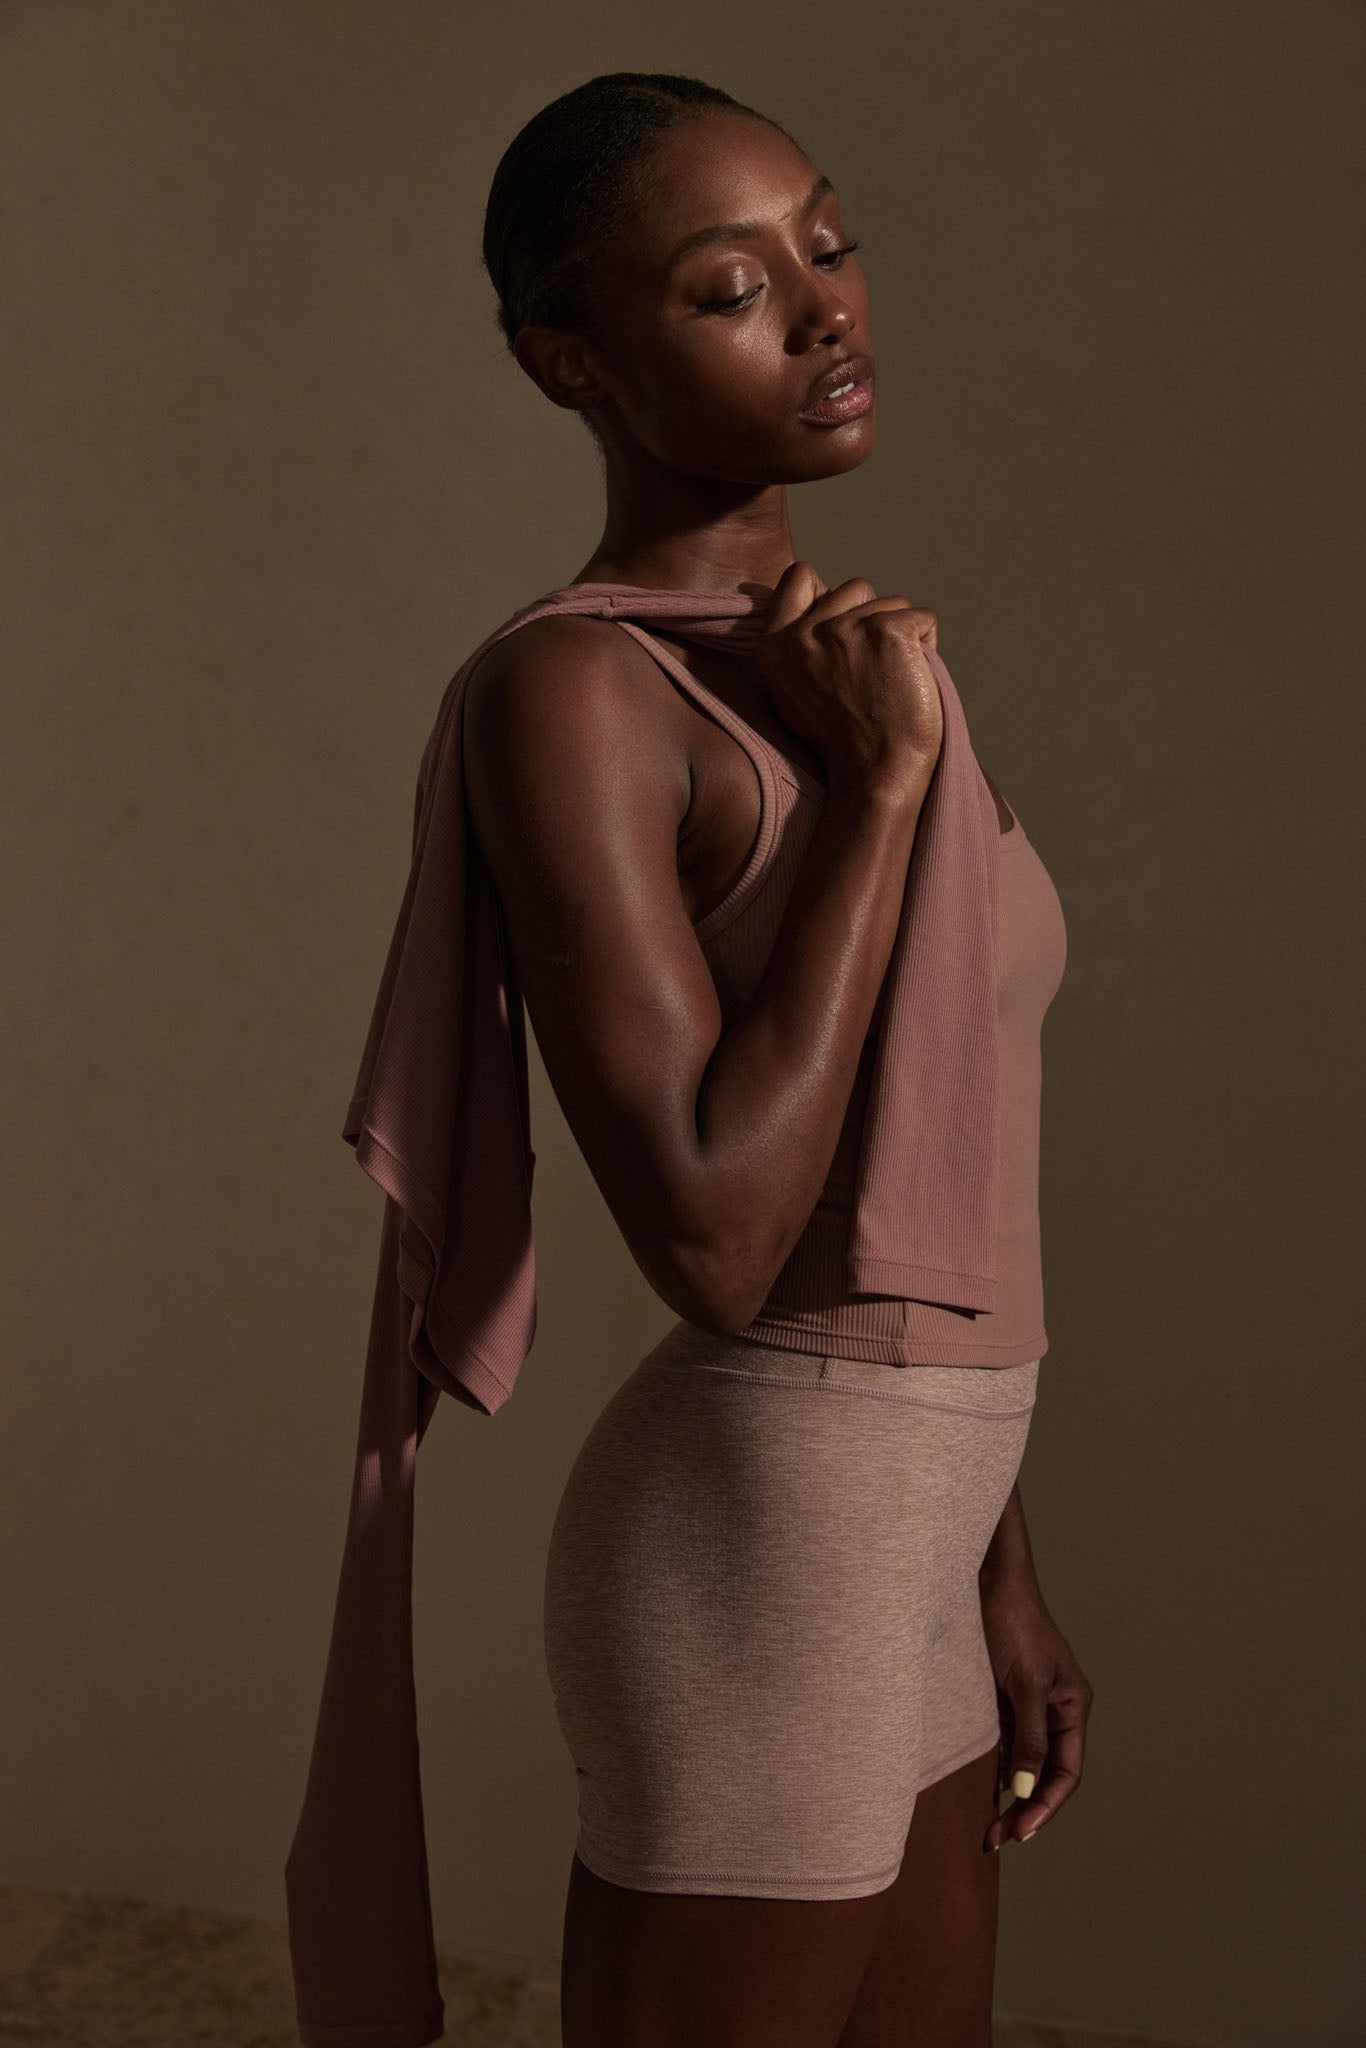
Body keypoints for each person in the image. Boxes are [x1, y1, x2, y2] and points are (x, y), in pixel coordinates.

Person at [462, 71, 1094, 2048]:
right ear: (569, 359)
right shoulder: (576, 691)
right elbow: (724, 1242)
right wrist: (879, 799)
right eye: (731, 286)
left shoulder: (850, 649)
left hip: (910, 1531)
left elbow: (934, 1166)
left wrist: (991, 1573)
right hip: (765, 1545)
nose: (827, 309)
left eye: (827, 243)